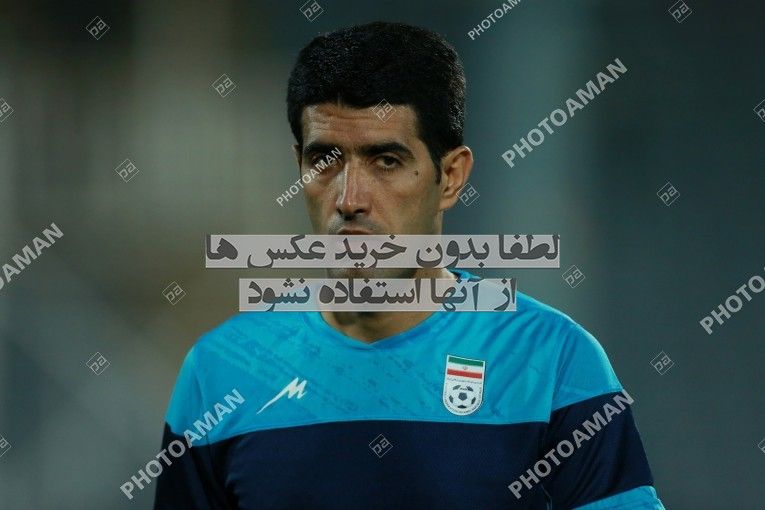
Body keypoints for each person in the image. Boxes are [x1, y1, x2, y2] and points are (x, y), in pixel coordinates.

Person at [154, 21, 665, 509]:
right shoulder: (218, 373)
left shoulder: (553, 361)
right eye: (325, 160)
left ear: (451, 177)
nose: (349, 199)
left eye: (386, 161)